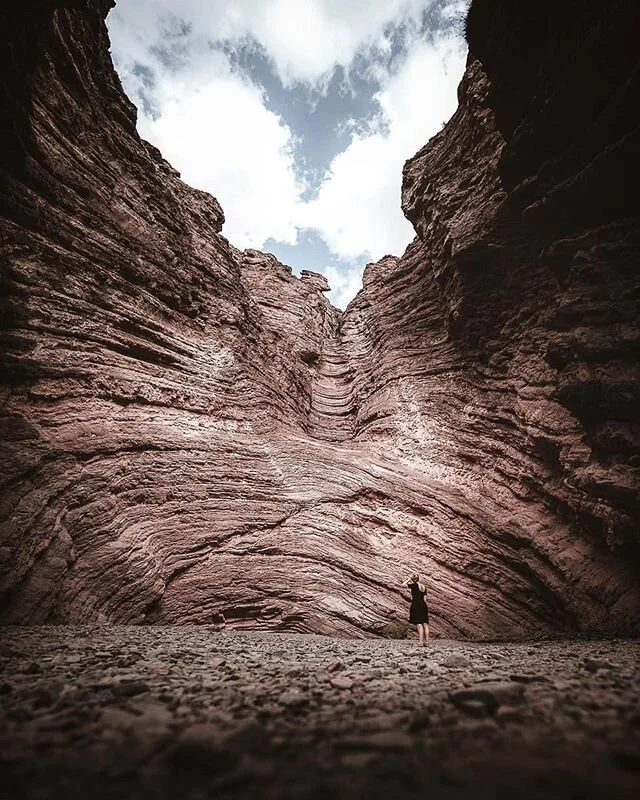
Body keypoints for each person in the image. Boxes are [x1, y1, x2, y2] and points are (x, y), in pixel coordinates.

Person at [405, 574, 429, 646]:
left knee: (419, 624)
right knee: (425, 624)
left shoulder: (414, 585)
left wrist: (409, 579)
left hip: (416, 605)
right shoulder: (424, 587)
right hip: (424, 606)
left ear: (413, 580)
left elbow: (403, 585)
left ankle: (421, 642)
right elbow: (425, 600)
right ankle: (427, 642)